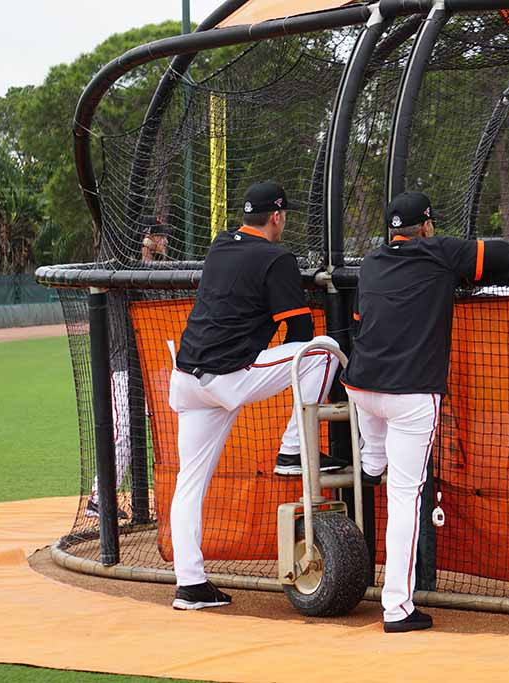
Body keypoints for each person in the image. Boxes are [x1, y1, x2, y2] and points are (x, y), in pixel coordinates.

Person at [342, 191, 509, 632]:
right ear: (425, 224)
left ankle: (371, 461)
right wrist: (457, 262)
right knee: (405, 497)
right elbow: (507, 254)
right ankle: (397, 608)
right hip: (409, 395)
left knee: (378, 461)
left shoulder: (372, 261)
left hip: (361, 387)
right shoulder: (440, 251)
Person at [167, 182, 341, 610]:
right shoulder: (277, 257)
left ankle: (190, 585)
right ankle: (293, 447)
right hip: (228, 375)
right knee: (322, 350)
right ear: (277, 217)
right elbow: (300, 335)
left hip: (186, 376)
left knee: (189, 483)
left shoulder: (221, 244)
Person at [87, 216, 171, 519]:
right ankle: (99, 498)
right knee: (123, 432)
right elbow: (109, 264)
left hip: (153, 366)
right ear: (146, 237)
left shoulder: (160, 272)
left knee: (164, 428)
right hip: (122, 367)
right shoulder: (119, 269)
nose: (165, 241)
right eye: (160, 236)